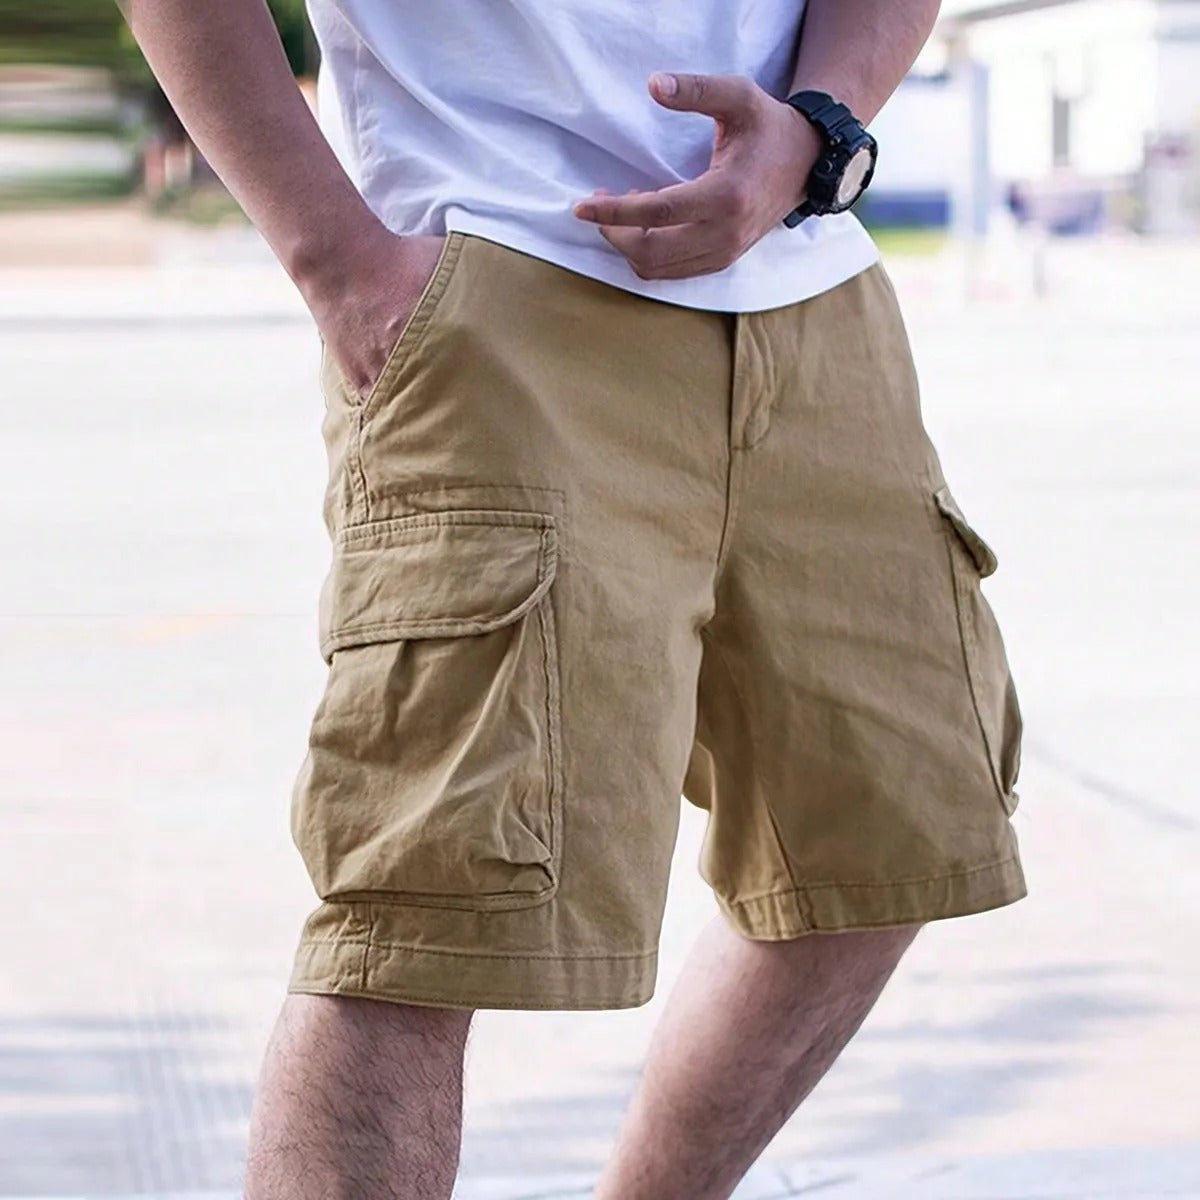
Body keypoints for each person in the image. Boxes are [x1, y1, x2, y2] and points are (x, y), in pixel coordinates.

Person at [124, 2, 1026, 1196]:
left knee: (885, 844)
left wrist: (818, 125)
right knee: (421, 922)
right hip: (502, 281)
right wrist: (334, 261)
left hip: (809, 286)